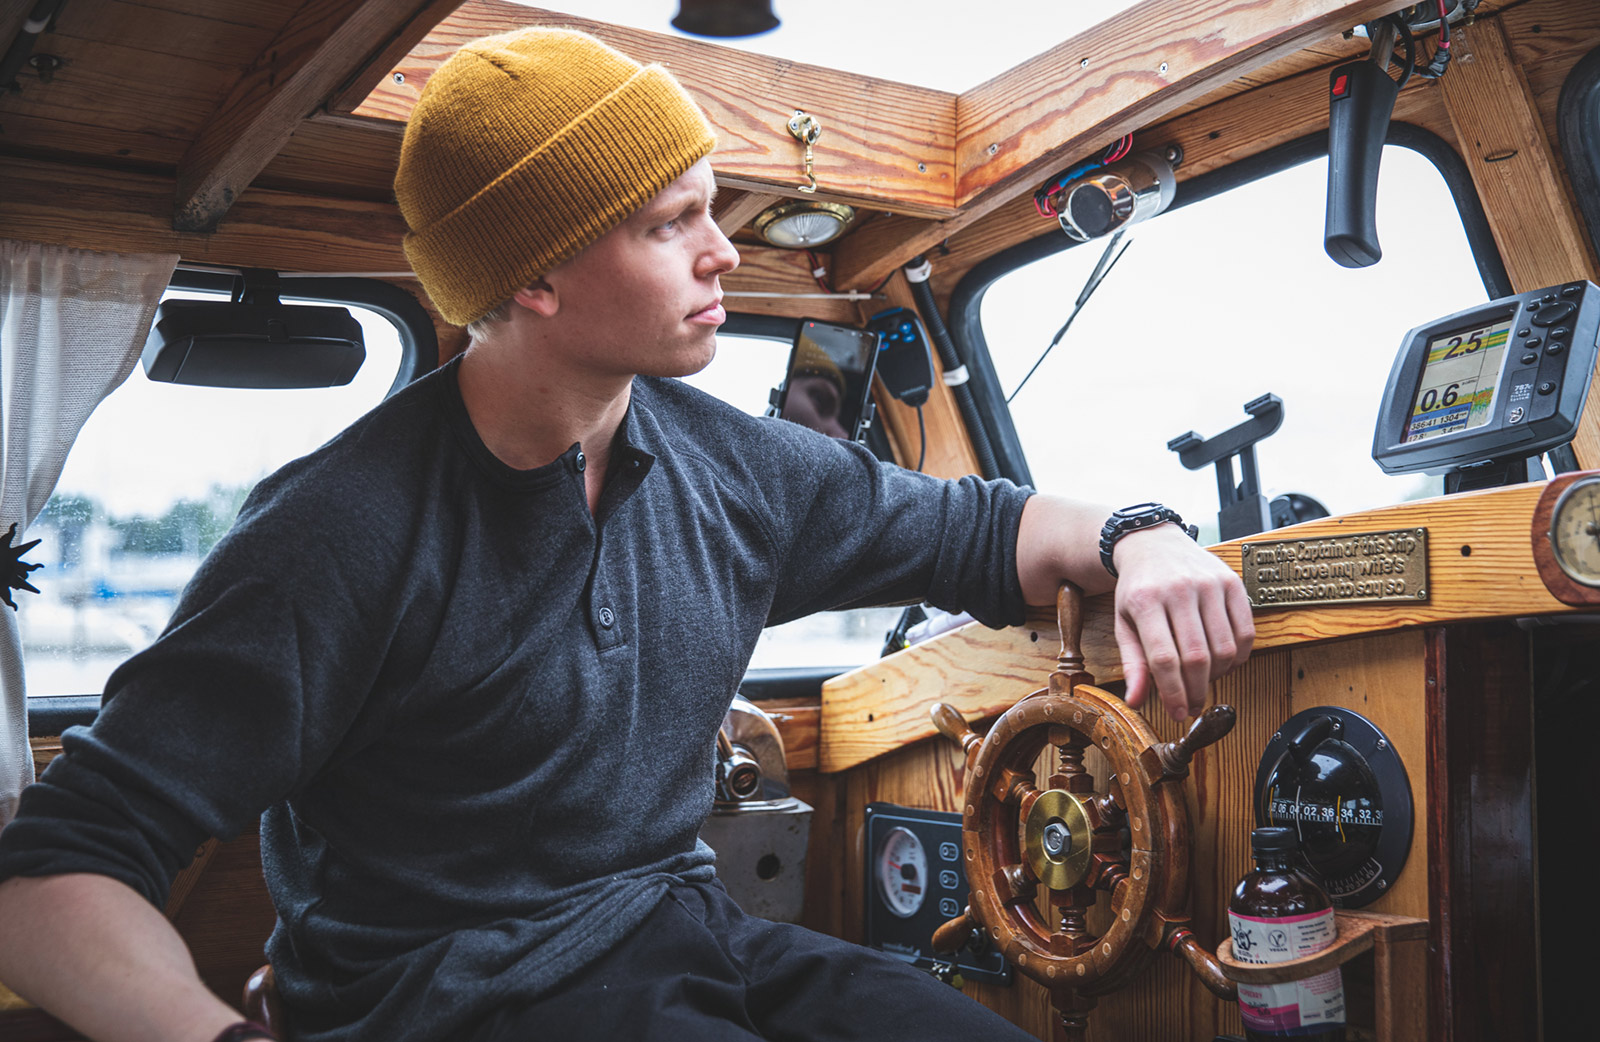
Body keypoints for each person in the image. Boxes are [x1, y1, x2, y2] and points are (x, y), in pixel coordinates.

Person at [0, 27, 1253, 1042]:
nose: (723, 253)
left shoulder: (730, 463)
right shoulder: (341, 529)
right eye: (671, 224)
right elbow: (56, 866)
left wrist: (1146, 537)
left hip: (679, 933)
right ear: (534, 279)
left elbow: (988, 531)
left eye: (712, 210)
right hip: (446, 998)